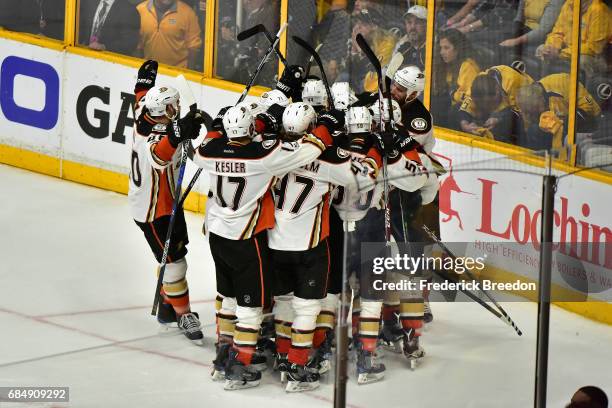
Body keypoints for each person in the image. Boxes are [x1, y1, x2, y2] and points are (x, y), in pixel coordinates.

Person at [192, 101, 344, 390]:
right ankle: (240, 365)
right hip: (246, 242)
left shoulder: (208, 153)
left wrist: (215, 127)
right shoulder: (263, 157)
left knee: (228, 299)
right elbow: (308, 151)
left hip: (217, 236)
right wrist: (325, 126)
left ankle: (224, 354)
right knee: (251, 308)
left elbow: (205, 145)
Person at [269, 102, 375, 392]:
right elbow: (363, 181)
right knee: (308, 307)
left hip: (274, 241)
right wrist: (368, 158)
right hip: (308, 244)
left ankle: (282, 354)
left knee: (283, 301)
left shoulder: (272, 149)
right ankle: (298, 365)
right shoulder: (327, 159)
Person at [128, 60, 206, 344]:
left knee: (177, 252)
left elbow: (141, 96)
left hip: (166, 200)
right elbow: (159, 156)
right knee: (175, 264)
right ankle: (182, 313)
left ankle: (166, 305)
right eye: (173, 107)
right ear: (164, 112)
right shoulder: (155, 134)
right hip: (153, 210)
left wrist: (144, 80)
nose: (177, 110)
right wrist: (178, 133)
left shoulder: (145, 111)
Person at [515, 73, 601, 150]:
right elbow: (528, 126)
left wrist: (562, 123)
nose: (537, 112)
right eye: (529, 112)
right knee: (533, 131)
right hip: (559, 128)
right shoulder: (527, 105)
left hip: (589, 122)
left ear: (539, 98)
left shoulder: (564, 82)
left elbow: (588, 108)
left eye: (536, 108)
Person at [459, 65, 533, 143]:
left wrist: (499, 118)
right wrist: (465, 125)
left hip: (529, 108)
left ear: (497, 92)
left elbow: (522, 119)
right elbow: (468, 101)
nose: (487, 108)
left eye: (489, 104)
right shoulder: (480, 82)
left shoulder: (514, 84)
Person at [536, 0, 611, 78]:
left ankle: (586, 88)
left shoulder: (599, 10)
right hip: (569, 51)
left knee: (583, 60)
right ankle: (544, 86)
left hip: (598, 58)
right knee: (543, 50)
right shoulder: (569, 4)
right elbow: (557, 32)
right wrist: (552, 47)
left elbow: (593, 48)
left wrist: (560, 53)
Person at [432, 29, 481, 128]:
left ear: (458, 49)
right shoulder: (446, 65)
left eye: (446, 48)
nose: (441, 52)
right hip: (452, 107)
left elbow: (471, 98)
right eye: (441, 48)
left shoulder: (468, 66)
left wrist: (454, 95)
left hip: (467, 113)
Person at [137, 0, 202, 69]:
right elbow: (136, 45)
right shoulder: (140, 10)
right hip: (148, 70)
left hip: (178, 72)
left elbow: (193, 47)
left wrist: (188, 75)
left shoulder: (188, 13)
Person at [0, 0, 66, 40]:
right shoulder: (12, 3)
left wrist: (48, 28)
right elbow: (8, 22)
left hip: (51, 41)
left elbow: (63, 24)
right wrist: (35, 31)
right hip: (25, 40)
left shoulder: (58, 2)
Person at [393, 5, 428, 71]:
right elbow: (390, 71)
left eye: (417, 23)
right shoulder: (401, 44)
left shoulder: (434, 46)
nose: (412, 27)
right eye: (409, 22)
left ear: (426, 25)